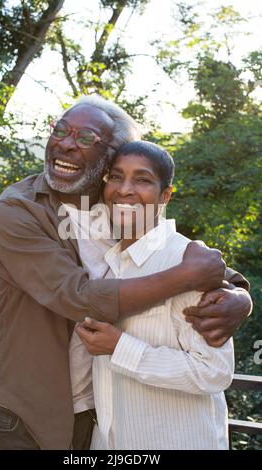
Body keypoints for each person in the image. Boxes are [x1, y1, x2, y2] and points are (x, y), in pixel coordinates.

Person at [0, 96, 251, 450]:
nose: (65, 143)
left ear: (111, 156)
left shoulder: (114, 201)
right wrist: (186, 278)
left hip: (103, 413)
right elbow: (78, 297)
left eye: (85, 138)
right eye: (61, 130)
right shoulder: (15, 212)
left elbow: (175, 249)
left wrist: (239, 294)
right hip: (31, 414)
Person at [76, 141, 237, 449]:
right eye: (116, 176)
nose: (125, 189)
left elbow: (214, 372)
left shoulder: (189, 263)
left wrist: (120, 347)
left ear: (165, 196)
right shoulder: (105, 262)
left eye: (143, 179)